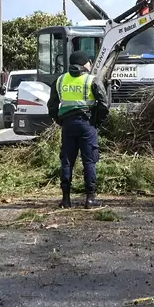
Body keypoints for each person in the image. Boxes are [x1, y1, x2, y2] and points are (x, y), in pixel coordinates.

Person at [47, 50, 109, 209]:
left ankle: (66, 199)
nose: (90, 64)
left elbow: (52, 105)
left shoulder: (60, 80)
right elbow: (104, 104)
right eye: (89, 61)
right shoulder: (92, 80)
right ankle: (90, 199)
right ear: (84, 63)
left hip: (68, 125)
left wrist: (60, 121)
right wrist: (96, 122)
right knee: (89, 161)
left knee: (67, 161)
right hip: (86, 124)